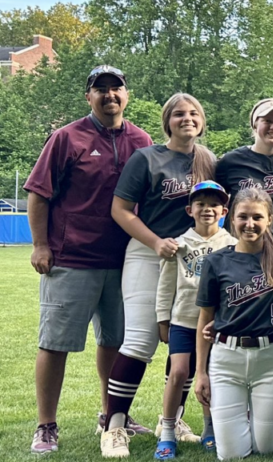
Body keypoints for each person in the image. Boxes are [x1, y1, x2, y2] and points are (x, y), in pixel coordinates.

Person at [25, 65, 153, 455]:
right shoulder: (66, 137)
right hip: (72, 258)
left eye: (117, 88)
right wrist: (41, 245)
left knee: (115, 342)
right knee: (55, 344)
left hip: (124, 262)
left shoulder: (141, 139)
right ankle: (46, 424)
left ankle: (111, 416)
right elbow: (37, 193)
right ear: (89, 97)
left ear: (126, 95)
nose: (110, 95)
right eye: (101, 89)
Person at [101, 92, 218, 457]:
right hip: (148, 255)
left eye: (194, 113)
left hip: (191, 258)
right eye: (179, 113)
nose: (187, 118)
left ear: (202, 120)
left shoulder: (208, 160)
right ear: (167, 121)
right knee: (139, 341)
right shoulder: (147, 157)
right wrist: (154, 242)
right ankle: (114, 424)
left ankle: (173, 417)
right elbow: (120, 210)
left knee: (186, 339)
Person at [193, 188, 273, 460]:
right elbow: (205, 319)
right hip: (227, 359)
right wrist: (201, 372)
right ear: (231, 219)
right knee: (231, 454)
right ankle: (235, 427)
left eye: (257, 217)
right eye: (242, 216)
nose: (249, 224)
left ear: (270, 219)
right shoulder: (215, 261)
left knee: (267, 447)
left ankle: (264, 426)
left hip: (270, 357)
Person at [154, 180, 236, 458]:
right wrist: (162, 319)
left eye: (214, 205)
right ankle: (168, 430)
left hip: (217, 324)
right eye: (201, 204)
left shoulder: (232, 244)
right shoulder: (179, 244)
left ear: (224, 210)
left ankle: (209, 428)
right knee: (178, 373)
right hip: (183, 321)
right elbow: (166, 285)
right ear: (190, 209)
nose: (207, 210)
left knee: (210, 376)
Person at [216, 98, 273, 257]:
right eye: (267, 121)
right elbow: (212, 201)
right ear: (254, 124)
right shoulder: (231, 161)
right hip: (240, 248)